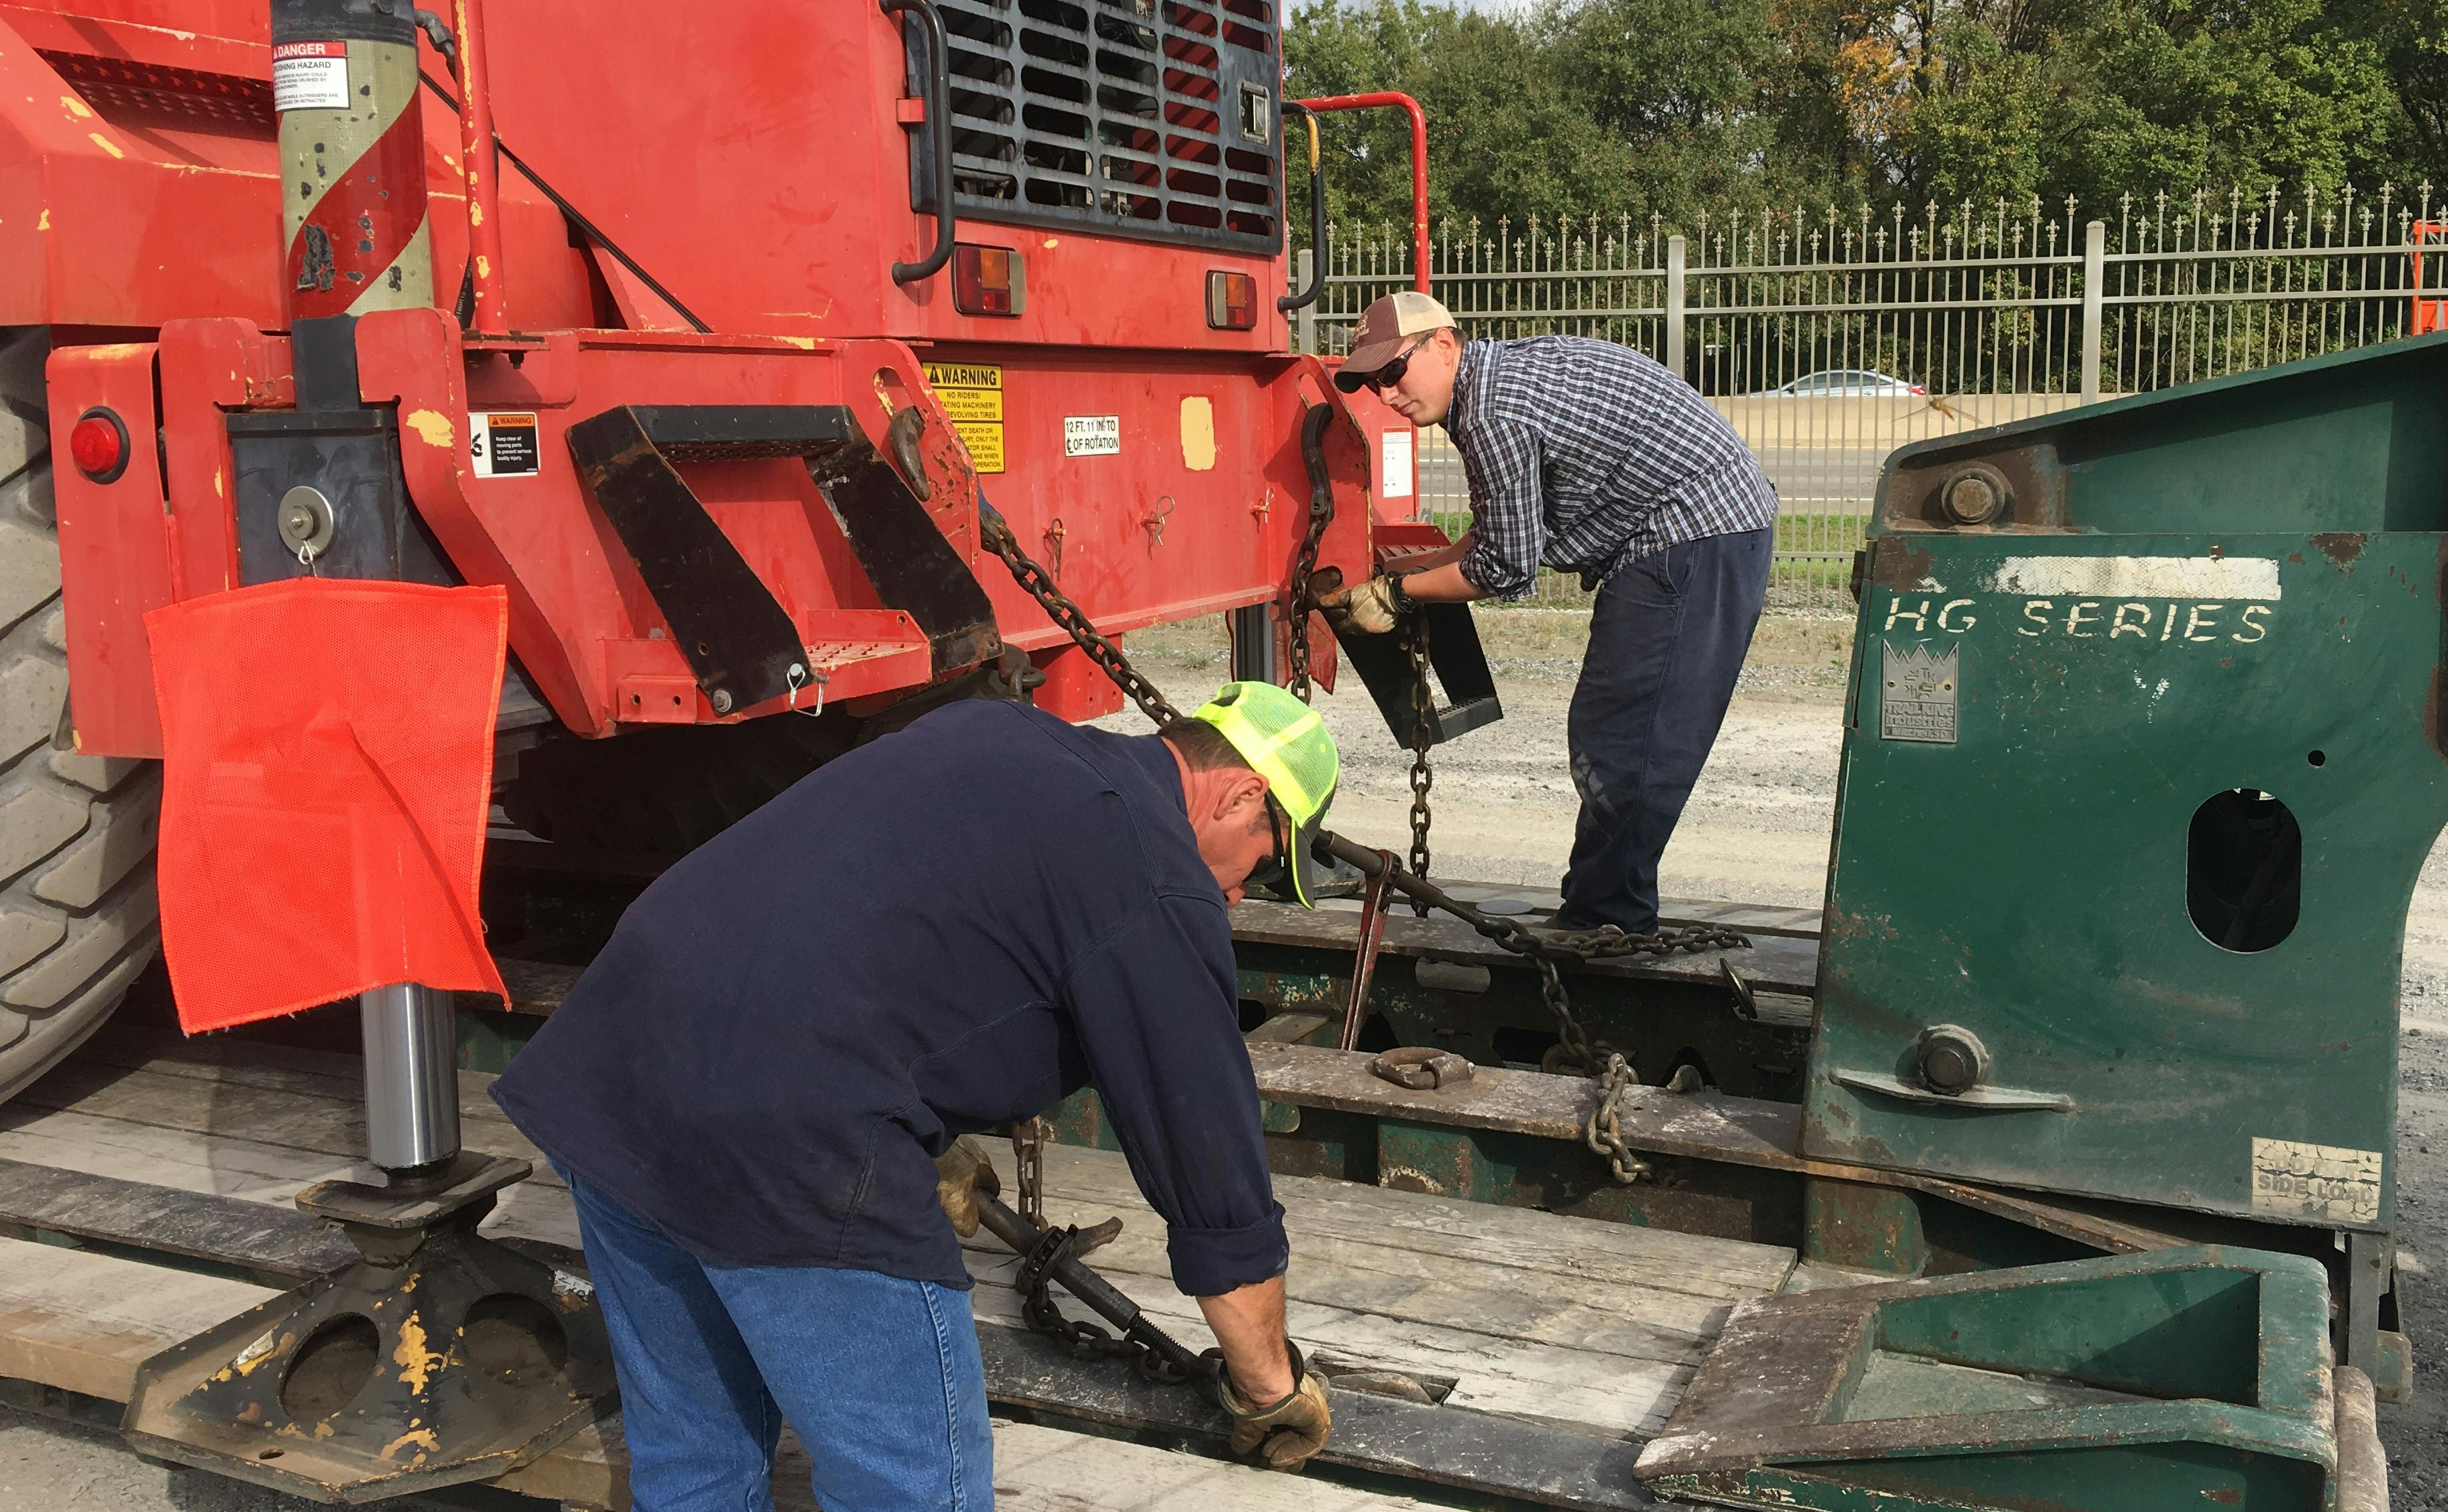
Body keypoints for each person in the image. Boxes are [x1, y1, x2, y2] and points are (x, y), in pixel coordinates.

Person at [490, 683, 1341, 1511]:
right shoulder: (1152, 865)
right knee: (913, 1492)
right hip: (794, 1138)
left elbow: (867, 914)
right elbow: (1207, 1160)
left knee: (694, 1465)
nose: (1235, 896)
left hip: (613, 1067)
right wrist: (1266, 1384)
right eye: (1263, 871)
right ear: (1243, 794)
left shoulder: (995, 730)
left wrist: (920, 1127)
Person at [1321, 292, 1781, 934]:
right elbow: (1500, 531)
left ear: (1444, 345)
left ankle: (1606, 919)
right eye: (1371, 383)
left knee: (1628, 736)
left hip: (1693, 536)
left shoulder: (1490, 411)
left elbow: (1506, 568)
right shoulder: (1495, 381)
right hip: (1705, 528)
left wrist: (1399, 596)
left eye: (1393, 371)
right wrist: (1404, 571)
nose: (1386, 395)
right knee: (1619, 728)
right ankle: (1606, 905)